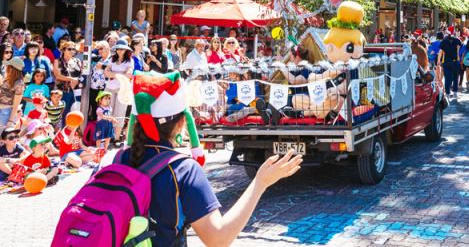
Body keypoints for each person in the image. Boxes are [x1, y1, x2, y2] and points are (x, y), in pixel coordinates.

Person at [117, 70, 302, 246]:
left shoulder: (117, 160)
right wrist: (260, 182)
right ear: (182, 123)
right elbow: (218, 239)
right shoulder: (183, 170)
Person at [0, 58, 25, 171]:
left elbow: (16, 104)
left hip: (6, 113)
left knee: (4, 140)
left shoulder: (19, 83)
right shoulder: (8, 79)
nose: (6, 67)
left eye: (8, 65)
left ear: (12, 68)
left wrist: (11, 120)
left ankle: (2, 166)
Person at [103, 39, 133, 143]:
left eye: (122, 49)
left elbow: (128, 74)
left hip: (122, 89)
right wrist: (120, 74)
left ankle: (116, 137)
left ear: (126, 50)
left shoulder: (129, 60)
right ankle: (109, 136)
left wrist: (113, 74)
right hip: (110, 87)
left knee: (120, 113)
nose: (119, 51)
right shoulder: (112, 59)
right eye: (118, 49)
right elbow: (106, 72)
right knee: (109, 112)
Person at [53, 40, 83, 119]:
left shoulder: (77, 61)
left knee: (75, 112)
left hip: (76, 90)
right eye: (69, 49)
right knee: (63, 112)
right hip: (63, 91)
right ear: (63, 50)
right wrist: (72, 79)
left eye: (73, 49)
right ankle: (62, 130)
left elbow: (82, 73)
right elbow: (58, 75)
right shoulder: (58, 61)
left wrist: (76, 81)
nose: (72, 51)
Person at [438, 28, 463, 98]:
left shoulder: (444, 41)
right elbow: (460, 46)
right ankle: (455, 93)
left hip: (446, 62)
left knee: (447, 78)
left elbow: (440, 51)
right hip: (454, 61)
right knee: (455, 78)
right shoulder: (457, 40)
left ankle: (447, 94)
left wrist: (438, 60)